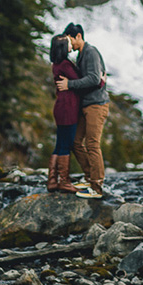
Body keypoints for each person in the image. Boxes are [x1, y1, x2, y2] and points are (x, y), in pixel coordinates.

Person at [55, 22, 109, 199]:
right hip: (85, 105)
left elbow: (94, 79)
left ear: (78, 36)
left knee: (92, 144)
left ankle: (97, 187)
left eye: (70, 39)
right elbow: (94, 78)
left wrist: (69, 84)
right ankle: (89, 176)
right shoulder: (80, 55)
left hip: (96, 105)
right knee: (76, 142)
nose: (69, 44)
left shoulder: (91, 52)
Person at [47, 34, 80, 193]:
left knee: (60, 143)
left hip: (60, 107)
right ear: (62, 48)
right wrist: (100, 81)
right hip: (68, 108)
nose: (70, 45)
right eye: (67, 43)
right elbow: (80, 82)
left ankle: (52, 180)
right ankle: (64, 181)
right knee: (66, 144)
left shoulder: (56, 64)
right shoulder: (66, 65)